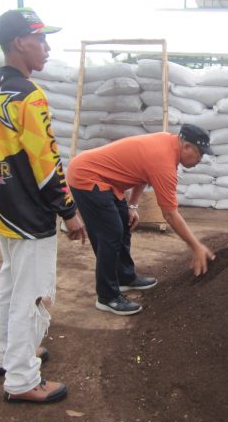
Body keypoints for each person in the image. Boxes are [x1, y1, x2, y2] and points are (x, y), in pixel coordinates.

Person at [0, 8, 87, 404]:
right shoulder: (29, 94)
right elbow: (47, 162)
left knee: (11, 286)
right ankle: (23, 380)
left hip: (4, 206)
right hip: (30, 212)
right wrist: (69, 211)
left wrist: (6, 184)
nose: (47, 47)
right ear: (19, 42)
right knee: (32, 295)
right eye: (40, 39)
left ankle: (8, 356)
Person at [66, 124, 216, 315]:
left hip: (107, 180)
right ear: (186, 147)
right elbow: (170, 214)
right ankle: (107, 296)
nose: (200, 160)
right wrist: (196, 246)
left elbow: (143, 172)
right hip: (86, 175)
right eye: (199, 154)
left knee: (124, 224)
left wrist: (133, 206)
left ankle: (124, 277)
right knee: (110, 233)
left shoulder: (167, 143)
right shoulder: (163, 162)